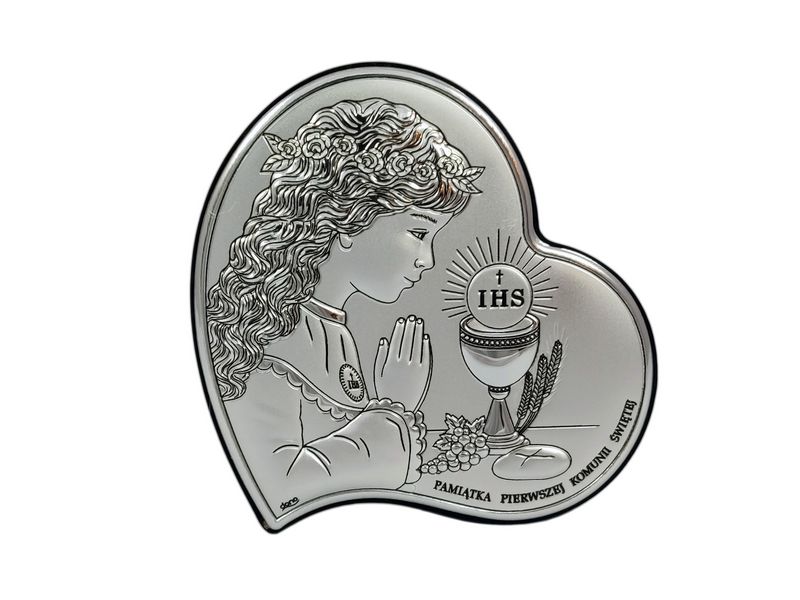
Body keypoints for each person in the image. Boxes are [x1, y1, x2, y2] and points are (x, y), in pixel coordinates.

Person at [206, 98, 483, 511]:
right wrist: (394, 407)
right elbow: (283, 484)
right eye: (418, 233)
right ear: (349, 220)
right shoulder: (268, 328)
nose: (427, 260)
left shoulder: (330, 328)